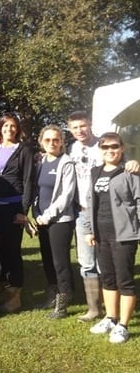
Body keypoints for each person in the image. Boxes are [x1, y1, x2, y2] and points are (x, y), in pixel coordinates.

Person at [67, 111, 139, 322]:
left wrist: (134, 163)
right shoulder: (74, 152)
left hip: (119, 223)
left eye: (83, 126)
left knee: (119, 272)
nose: (79, 130)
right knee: (93, 266)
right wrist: (89, 227)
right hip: (88, 216)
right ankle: (100, 312)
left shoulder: (113, 151)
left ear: (89, 125)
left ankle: (120, 320)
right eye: (74, 127)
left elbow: (125, 169)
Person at [85, 133, 140, 344]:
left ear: (122, 147)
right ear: (100, 149)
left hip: (124, 234)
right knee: (107, 277)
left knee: (124, 279)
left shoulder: (130, 172)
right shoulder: (95, 172)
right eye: (105, 146)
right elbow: (91, 202)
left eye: (114, 146)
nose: (110, 150)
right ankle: (110, 317)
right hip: (101, 233)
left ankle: (123, 325)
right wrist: (90, 230)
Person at [0, 113, 35, 313]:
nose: (9, 129)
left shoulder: (24, 150)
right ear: (0, 128)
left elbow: (28, 181)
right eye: (6, 126)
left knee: (13, 250)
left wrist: (23, 211)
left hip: (14, 207)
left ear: (18, 129)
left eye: (13, 126)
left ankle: (15, 296)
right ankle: (4, 288)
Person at [33, 125, 77, 319]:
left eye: (56, 140)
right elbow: (37, 190)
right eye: (48, 140)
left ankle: (63, 303)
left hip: (60, 220)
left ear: (62, 142)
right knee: (48, 260)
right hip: (42, 220)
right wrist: (36, 213)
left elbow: (66, 195)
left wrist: (48, 215)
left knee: (60, 262)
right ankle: (53, 295)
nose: (52, 143)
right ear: (42, 142)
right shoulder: (41, 162)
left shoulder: (66, 163)